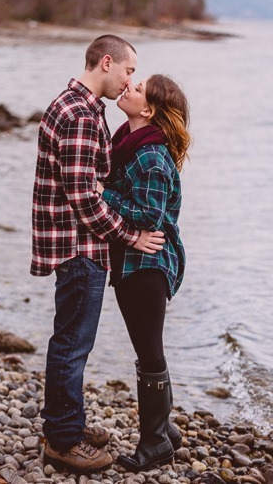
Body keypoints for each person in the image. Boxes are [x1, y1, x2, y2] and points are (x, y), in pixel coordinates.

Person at [31, 35, 165, 475]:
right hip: (79, 248)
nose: (129, 81)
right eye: (128, 71)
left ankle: (64, 424)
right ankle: (63, 441)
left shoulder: (77, 107)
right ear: (107, 62)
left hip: (76, 246)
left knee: (69, 341)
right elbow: (85, 199)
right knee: (72, 345)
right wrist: (131, 235)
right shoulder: (80, 116)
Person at [100, 73, 191, 473]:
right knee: (147, 351)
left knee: (149, 353)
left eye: (137, 89)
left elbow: (148, 217)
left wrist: (100, 190)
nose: (128, 88)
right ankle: (165, 430)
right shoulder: (131, 143)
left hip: (148, 265)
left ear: (149, 109)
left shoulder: (150, 155)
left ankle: (154, 442)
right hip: (135, 263)